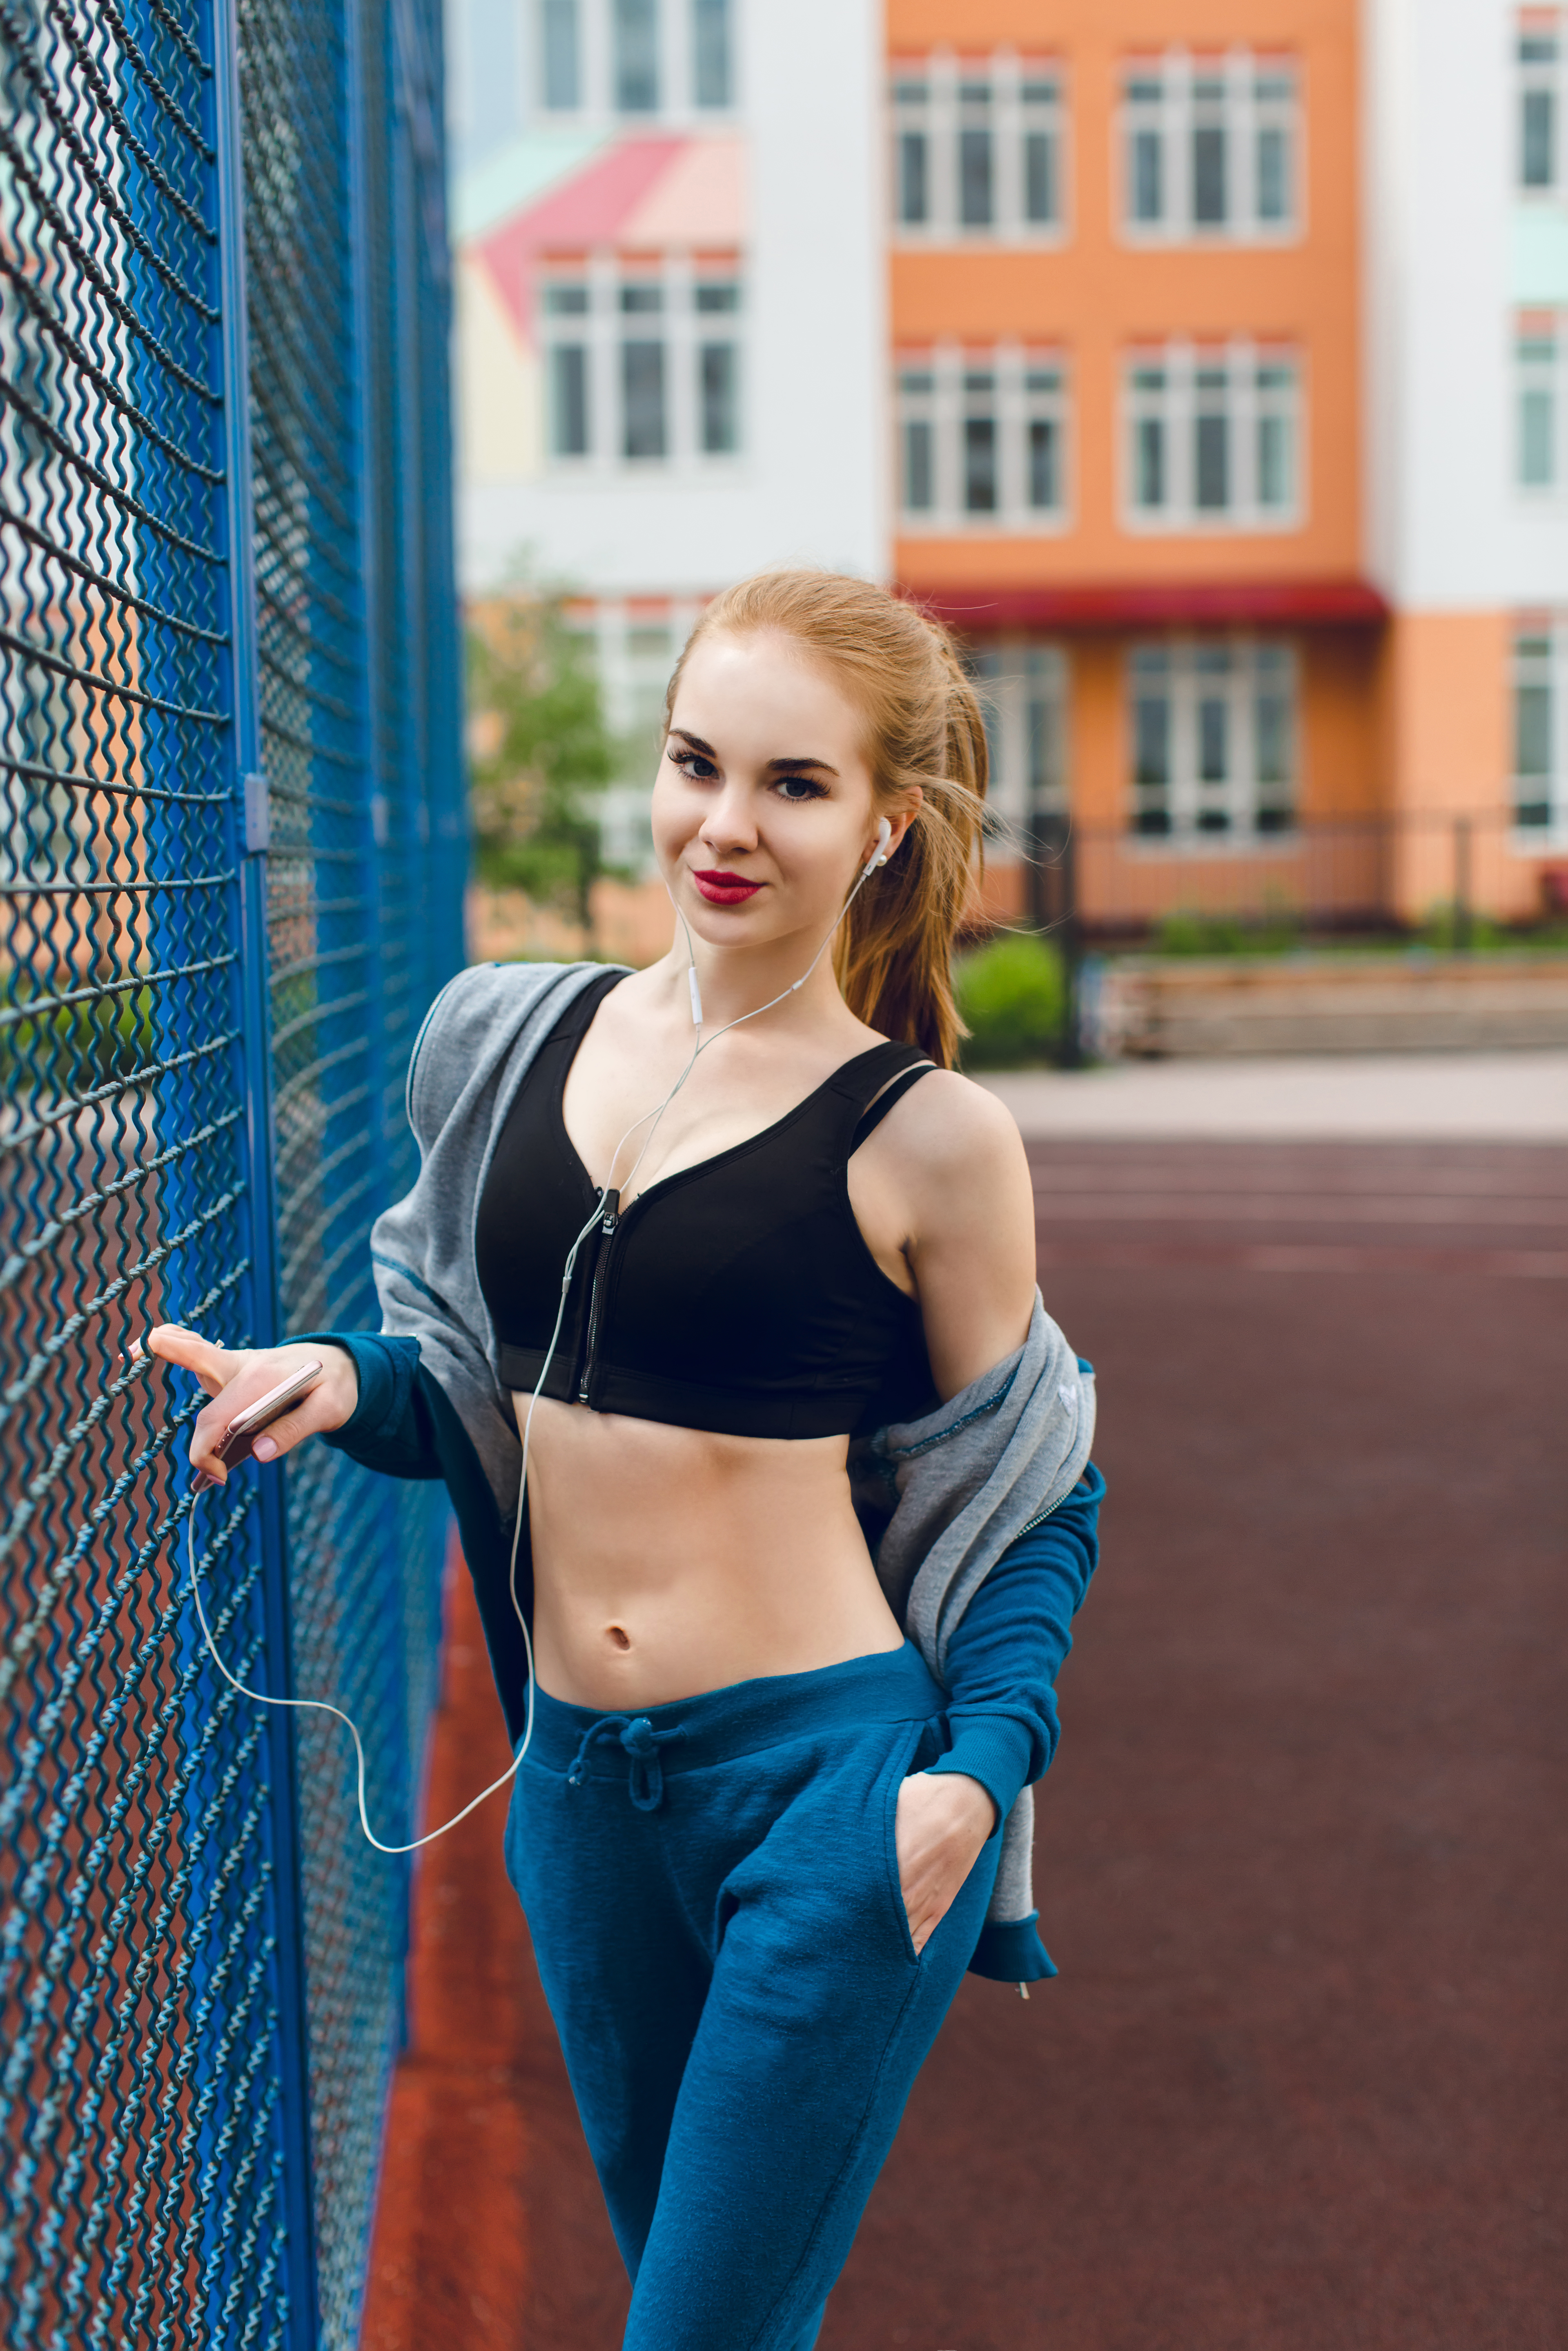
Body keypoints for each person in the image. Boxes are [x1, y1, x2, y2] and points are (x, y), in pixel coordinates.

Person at [150, 570, 1104, 2350]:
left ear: (887, 823)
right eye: (697, 764)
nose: (725, 827)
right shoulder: (500, 1037)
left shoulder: (933, 1141)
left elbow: (1039, 1489)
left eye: (794, 786)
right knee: (714, 2301)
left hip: (832, 1798)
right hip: (581, 1804)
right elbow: (482, 1391)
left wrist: (971, 1776)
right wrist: (341, 1384)